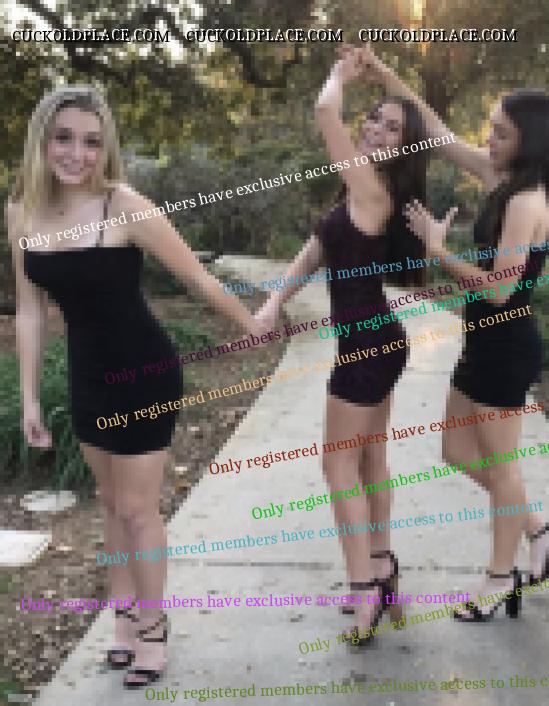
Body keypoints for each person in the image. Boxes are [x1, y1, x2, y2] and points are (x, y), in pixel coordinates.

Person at [7, 85, 261, 687]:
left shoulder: (122, 205)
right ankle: (122, 621)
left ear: (107, 149)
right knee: (110, 503)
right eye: (64, 138)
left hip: (144, 372)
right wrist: (31, 398)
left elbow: (199, 280)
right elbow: (31, 310)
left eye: (92, 142)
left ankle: (153, 627)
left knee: (138, 509)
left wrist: (254, 327)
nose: (77, 154)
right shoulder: (22, 208)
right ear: (42, 139)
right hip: (88, 375)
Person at [357, 46, 549, 620]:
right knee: (455, 451)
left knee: (503, 470)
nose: (489, 139)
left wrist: (438, 251)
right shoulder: (501, 178)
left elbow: (501, 290)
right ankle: (538, 529)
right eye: (492, 128)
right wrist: (387, 76)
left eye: (502, 133)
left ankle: (499, 579)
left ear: (529, 140)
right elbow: (437, 133)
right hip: (481, 343)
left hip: (506, 347)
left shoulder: (527, 202)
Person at [255, 49, 430, 644]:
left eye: (393, 127)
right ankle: (381, 566)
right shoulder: (356, 190)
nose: (376, 128)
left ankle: (363, 589)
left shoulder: (371, 186)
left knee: (337, 466)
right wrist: (274, 302)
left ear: (405, 146)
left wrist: (341, 76)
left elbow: (325, 110)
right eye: (375, 118)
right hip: (378, 339)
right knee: (370, 460)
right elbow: (313, 252)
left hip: (366, 347)